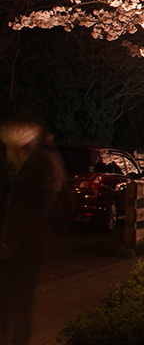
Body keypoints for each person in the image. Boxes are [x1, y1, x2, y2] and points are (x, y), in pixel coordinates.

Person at [0, 115, 65, 345]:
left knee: (22, 302)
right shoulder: (6, 160)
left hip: (28, 244)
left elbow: (51, 204)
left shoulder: (43, 161)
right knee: (5, 301)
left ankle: (19, 339)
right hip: (7, 243)